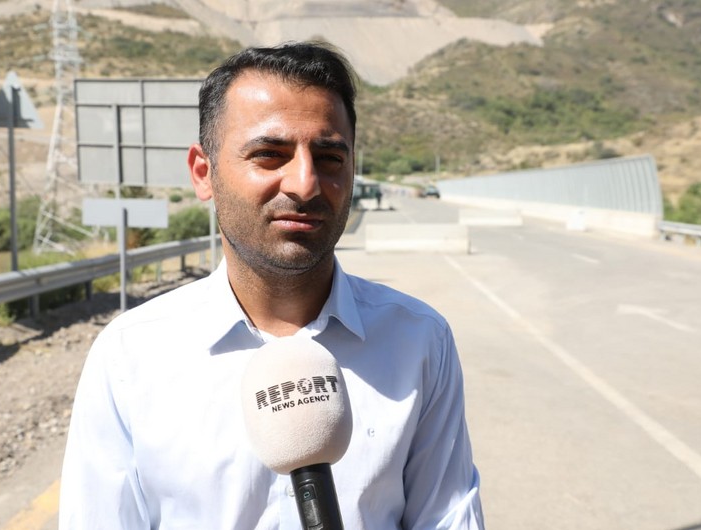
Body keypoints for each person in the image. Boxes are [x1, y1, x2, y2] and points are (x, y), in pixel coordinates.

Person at [59, 41, 484, 529]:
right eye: (269, 155)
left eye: (329, 157)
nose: (305, 183)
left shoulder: (420, 341)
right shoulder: (129, 357)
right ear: (204, 173)